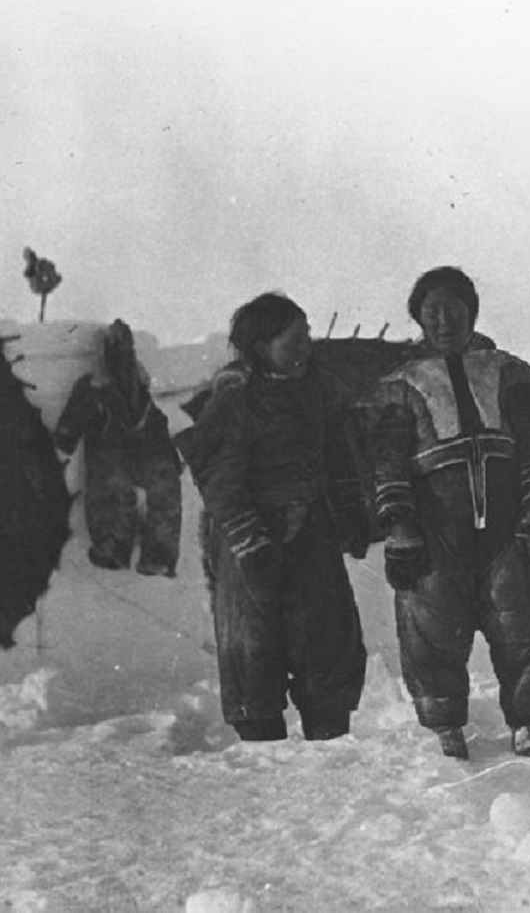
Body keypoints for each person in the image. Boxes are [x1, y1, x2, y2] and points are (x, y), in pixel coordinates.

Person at [357, 266, 530, 760]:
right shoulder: (399, 386)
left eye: (455, 309)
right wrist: (400, 525)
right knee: (432, 617)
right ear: (418, 319)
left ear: (472, 311)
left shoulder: (509, 372)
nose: (445, 320)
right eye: (432, 312)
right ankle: (445, 723)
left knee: (522, 613)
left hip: (506, 520)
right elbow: (388, 463)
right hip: (436, 524)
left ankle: (528, 720)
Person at [175, 293, 367, 743]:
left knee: (326, 632)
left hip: (312, 527)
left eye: (307, 338)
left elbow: (339, 455)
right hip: (249, 533)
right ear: (260, 347)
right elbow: (220, 479)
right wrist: (250, 541)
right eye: (292, 340)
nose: (305, 349)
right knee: (253, 640)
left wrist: (352, 508)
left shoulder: (319, 387)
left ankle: (328, 737)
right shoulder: (235, 398)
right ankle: (263, 749)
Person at [53, 319, 182, 577]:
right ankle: (114, 544)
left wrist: (171, 460)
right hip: (110, 451)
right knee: (112, 481)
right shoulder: (93, 387)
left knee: (164, 481)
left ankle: (158, 554)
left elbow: (156, 427)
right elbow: (67, 430)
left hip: (144, 452)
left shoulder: (140, 389)